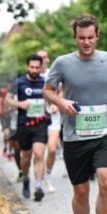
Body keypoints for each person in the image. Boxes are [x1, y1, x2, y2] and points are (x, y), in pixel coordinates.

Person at [44, 14, 107, 214]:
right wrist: (61, 101)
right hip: (75, 136)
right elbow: (47, 91)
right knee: (80, 191)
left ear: (97, 36)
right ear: (75, 38)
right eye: (82, 38)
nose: (87, 42)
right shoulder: (63, 63)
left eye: (91, 37)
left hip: (104, 132)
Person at [8, 55, 50, 201]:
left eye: (37, 67)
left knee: (39, 154)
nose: (34, 70)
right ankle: (26, 177)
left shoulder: (45, 82)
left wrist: (55, 105)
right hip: (24, 124)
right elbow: (7, 99)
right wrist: (20, 104)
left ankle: (38, 187)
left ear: (41, 67)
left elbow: (57, 94)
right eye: (31, 67)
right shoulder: (19, 82)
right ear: (27, 67)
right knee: (25, 158)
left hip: (41, 123)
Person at [36, 49, 63, 192]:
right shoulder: (32, 74)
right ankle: (37, 181)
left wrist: (56, 103)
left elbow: (61, 90)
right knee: (38, 152)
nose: (42, 59)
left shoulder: (52, 73)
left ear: (47, 59)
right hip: (37, 118)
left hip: (53, 116)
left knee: (52, 149)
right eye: (39, 57)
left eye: (44, 57)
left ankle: (48, 176)